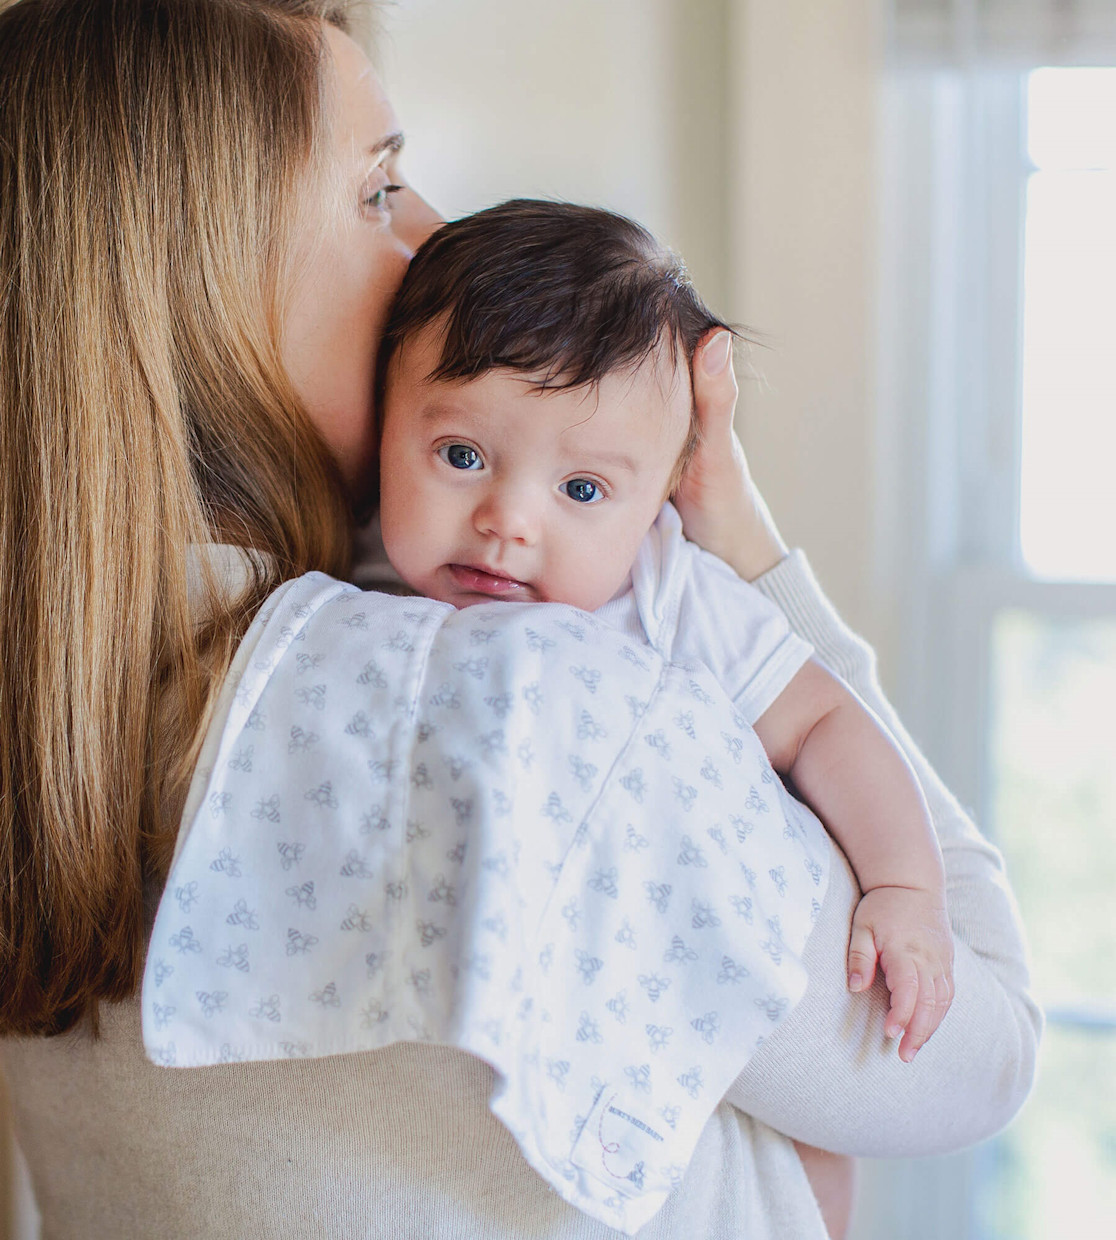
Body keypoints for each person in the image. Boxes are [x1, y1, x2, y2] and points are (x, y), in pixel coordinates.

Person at [0, 3, 1040, 1239]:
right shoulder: (537, 707)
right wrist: (741, 544)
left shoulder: (46, 700)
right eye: (377, 192)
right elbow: (984, 1043)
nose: (435, 233)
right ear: (201, 279)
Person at [375, 199, 952, 1063]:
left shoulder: (667, 595)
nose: (507, 521)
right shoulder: (359, 584)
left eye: (581, 490)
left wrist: (904, 886)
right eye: (462, 455)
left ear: (661, 501)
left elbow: (823, 722)